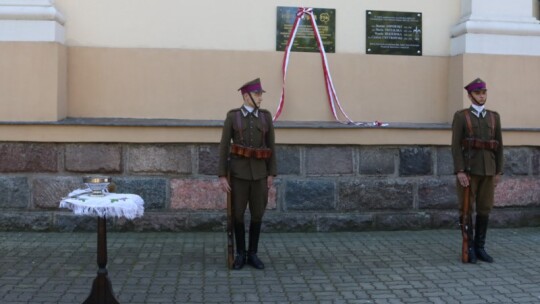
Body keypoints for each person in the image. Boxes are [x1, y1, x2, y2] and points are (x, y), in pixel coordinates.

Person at [218, 78, 277, 270]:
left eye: (260, 94)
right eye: (257, 94)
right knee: (237, 216)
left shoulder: (265, 117)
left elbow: (271, 146)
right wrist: (222, 175)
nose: (260, 98)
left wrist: (271, 173)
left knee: (257, 214)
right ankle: (240, 254)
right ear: (246, 96)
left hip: (260, 174)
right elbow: (224, 146)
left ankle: (253, 254)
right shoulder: (233, 117)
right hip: (239, 175)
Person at [451, 78, 504, 264]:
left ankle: (481, 247)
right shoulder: (461, 116)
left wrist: (498, 171)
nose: (482, 96)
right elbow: (456, 146)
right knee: (466, 209)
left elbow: (499, 146)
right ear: (470, 96)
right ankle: (469, 247)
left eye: (484, 93)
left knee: (484, 208)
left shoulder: (494, 117)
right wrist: (459, 170)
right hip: (469, 170)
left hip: (488, 170)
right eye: (478, 93)